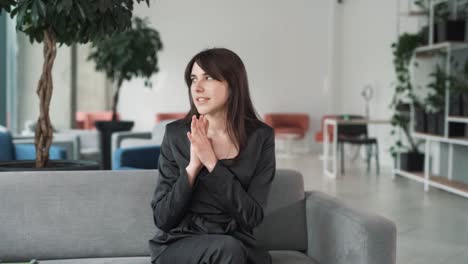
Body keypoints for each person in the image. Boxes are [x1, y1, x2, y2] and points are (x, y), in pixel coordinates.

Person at [148, 48, 276, 264]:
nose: (196, 87)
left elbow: (252, 217)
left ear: (233, 84)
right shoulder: (176, 135)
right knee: (228, 250)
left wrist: (211, 163)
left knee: (235, 251)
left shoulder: (260, 137)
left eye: (208, 77)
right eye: (193, 79)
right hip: (180, 243)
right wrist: (191, 169)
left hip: (236, 242)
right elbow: (162, 218)